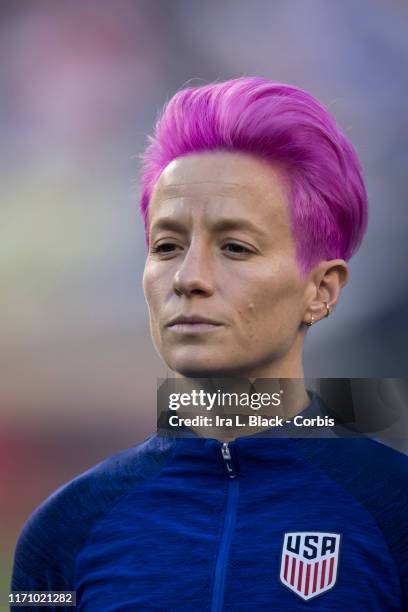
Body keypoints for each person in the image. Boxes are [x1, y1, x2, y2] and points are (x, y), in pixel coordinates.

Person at [10, 77, 407, 610]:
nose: (188, 277)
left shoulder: (395, 512)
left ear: (320, 290)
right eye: (168, 245)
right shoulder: (64, 532)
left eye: (236, 247)